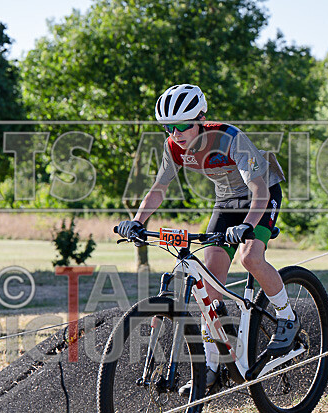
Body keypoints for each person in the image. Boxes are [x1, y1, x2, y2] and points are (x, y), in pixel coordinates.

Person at [117, 84, 298, 395]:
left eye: (183, 125)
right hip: (226, 202)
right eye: (169, 127)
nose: (176, 133)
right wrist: (137, 221)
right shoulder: (173, 147)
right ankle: (212, 367)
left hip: (261, 195)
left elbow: (258, 189)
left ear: (201, 119)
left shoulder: (229, 138)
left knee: (250, 257)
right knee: (209, 287)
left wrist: (247, 226)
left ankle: (287, 318)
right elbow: (159, 188)